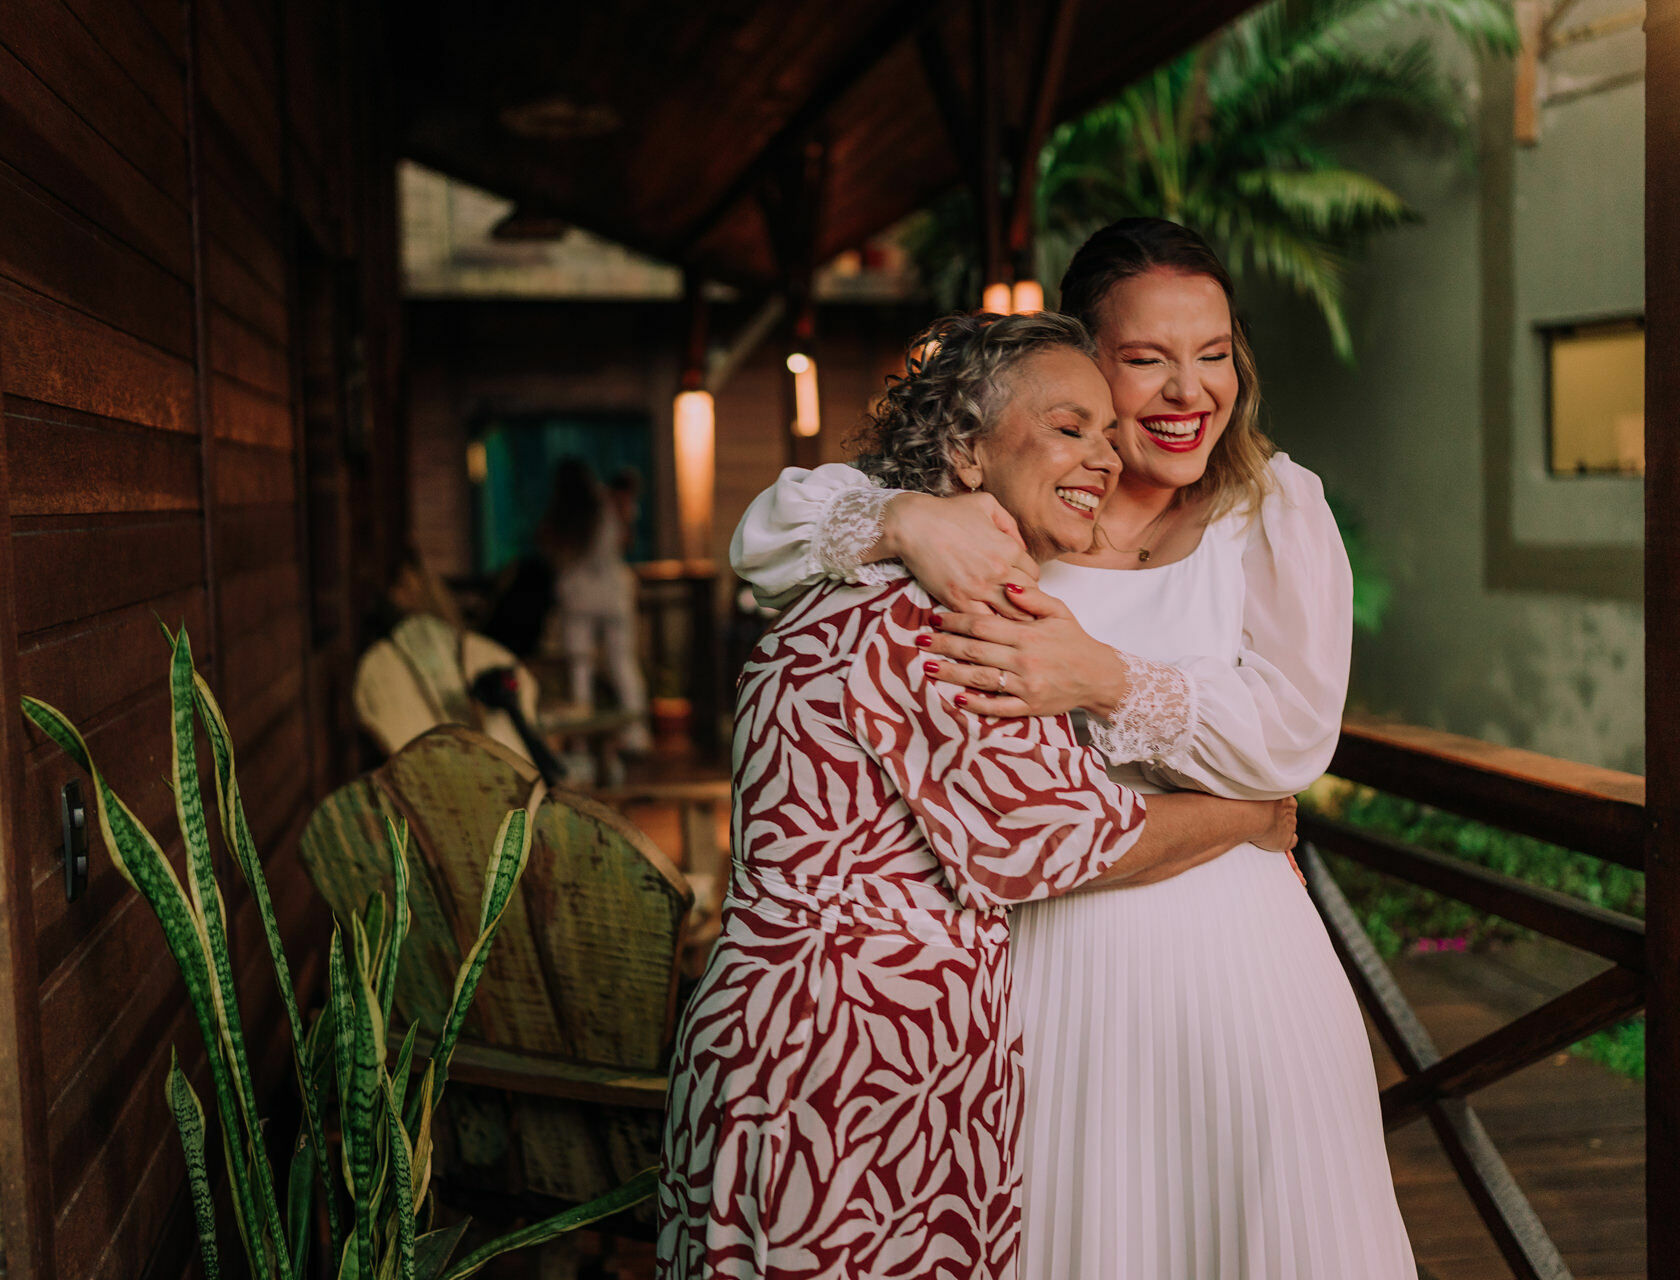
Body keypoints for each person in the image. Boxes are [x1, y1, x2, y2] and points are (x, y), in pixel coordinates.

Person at [730, 219, 1416, 1279]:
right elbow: (767, 538)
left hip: (1242, 966)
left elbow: (1291, 739)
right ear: (1085, 364)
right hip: (1042, 963)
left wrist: (1104, 677)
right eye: (1146, 358)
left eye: (1214, 353)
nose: (1189, 390)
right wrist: (905, 517)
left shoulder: (1274, 508)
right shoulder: (997, 509)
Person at [657, 310, 1298, 1280]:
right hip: (847, 1061)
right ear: (964, 448)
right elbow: (1063, 839)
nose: (1106, 458)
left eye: (1107, 432)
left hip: (801, 1042)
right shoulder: (939, 613)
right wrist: (1253, 814)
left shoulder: (866, 573)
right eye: (1069, 427)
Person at [541, 457, 650, 752]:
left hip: (578, 595)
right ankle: (636, 735)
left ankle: (581, 740)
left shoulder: (565, 513)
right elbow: (626, 541)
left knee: (580, 668)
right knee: (622, 663)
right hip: (613, 593)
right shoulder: (608, 504)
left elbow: (551, 550)